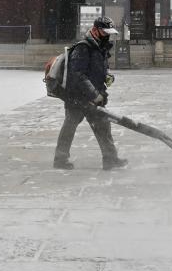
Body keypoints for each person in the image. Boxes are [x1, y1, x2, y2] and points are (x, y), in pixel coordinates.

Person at [53, 15, 128, 170]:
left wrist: (106, 77)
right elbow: (77, 74)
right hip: (76, 98)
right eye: (105, 32)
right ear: (95, 30)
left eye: (109, 33)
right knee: (70, 127)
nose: (107, 35)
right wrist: (94, 94)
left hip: (95, 97)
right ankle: (60, 159)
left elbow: (97, 70)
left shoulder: (100, 47)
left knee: (103, 126)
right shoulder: (83, 47)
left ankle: (110, 159)